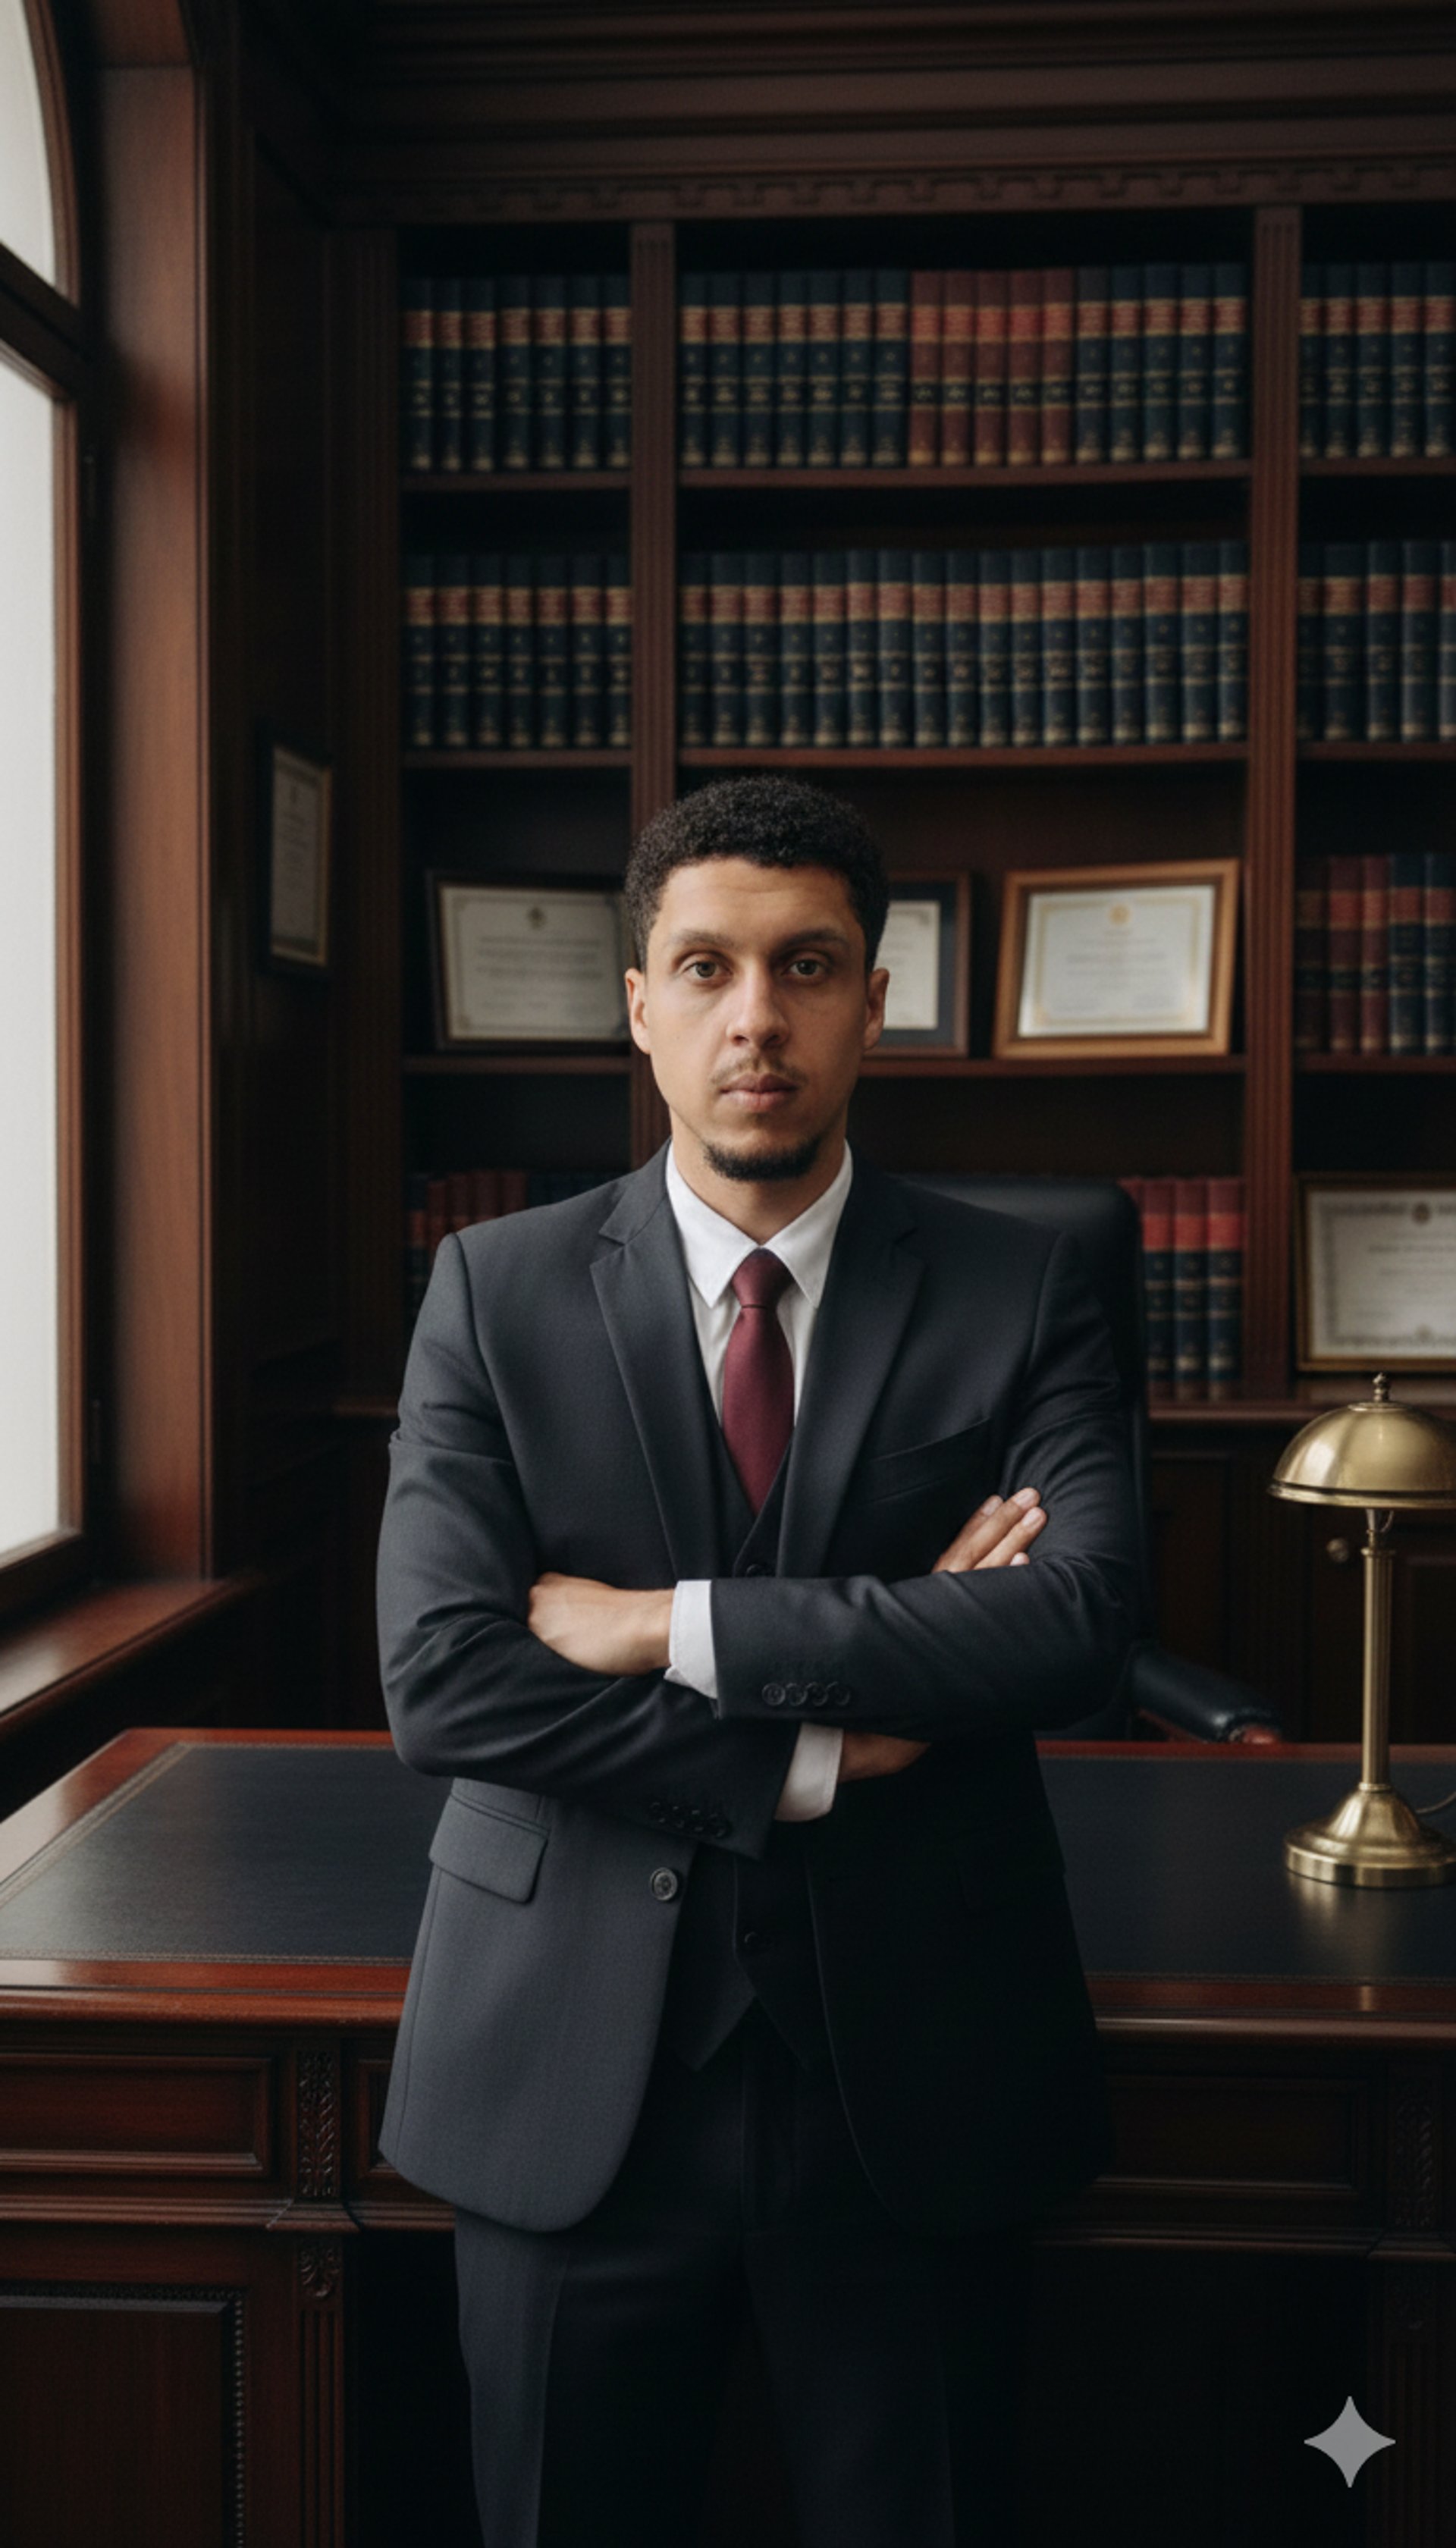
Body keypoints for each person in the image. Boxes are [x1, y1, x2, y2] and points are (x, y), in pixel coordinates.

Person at [376, 775, 1140, 2546]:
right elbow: (448, 1680)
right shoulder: (492, 1289)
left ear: (877, 1000)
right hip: (567, 2080)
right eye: (706, 969)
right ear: (637, 1003)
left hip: (922, 2068)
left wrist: (663, 1625)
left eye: (805, 968)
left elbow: (1076, 1624)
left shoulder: (1023, 1290)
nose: (756, 1019)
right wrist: (818, 1745)